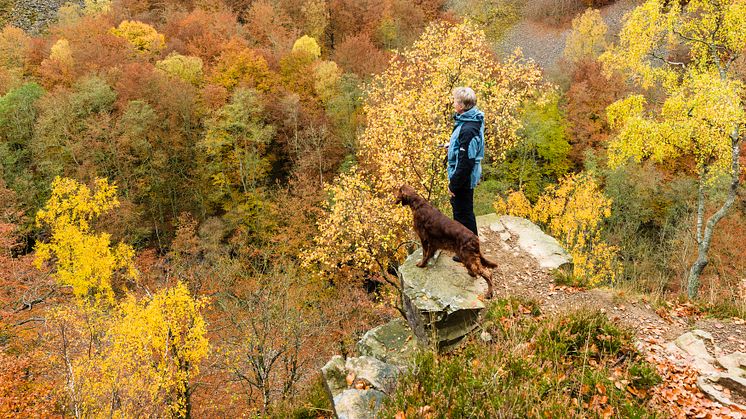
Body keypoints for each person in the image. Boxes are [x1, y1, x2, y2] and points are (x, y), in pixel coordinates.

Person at [447, 87, 484, 248]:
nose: (453, 103)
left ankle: (469, 249)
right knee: (464, 211)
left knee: (463, 213)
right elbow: (467, 147)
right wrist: (452, 146)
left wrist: (453, 185)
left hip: (463, 178)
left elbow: (465, 163)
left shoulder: (468, 129)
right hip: (465, 175)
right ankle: (469, 246)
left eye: (455, 101)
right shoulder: (471, 119)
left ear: (461, 105)